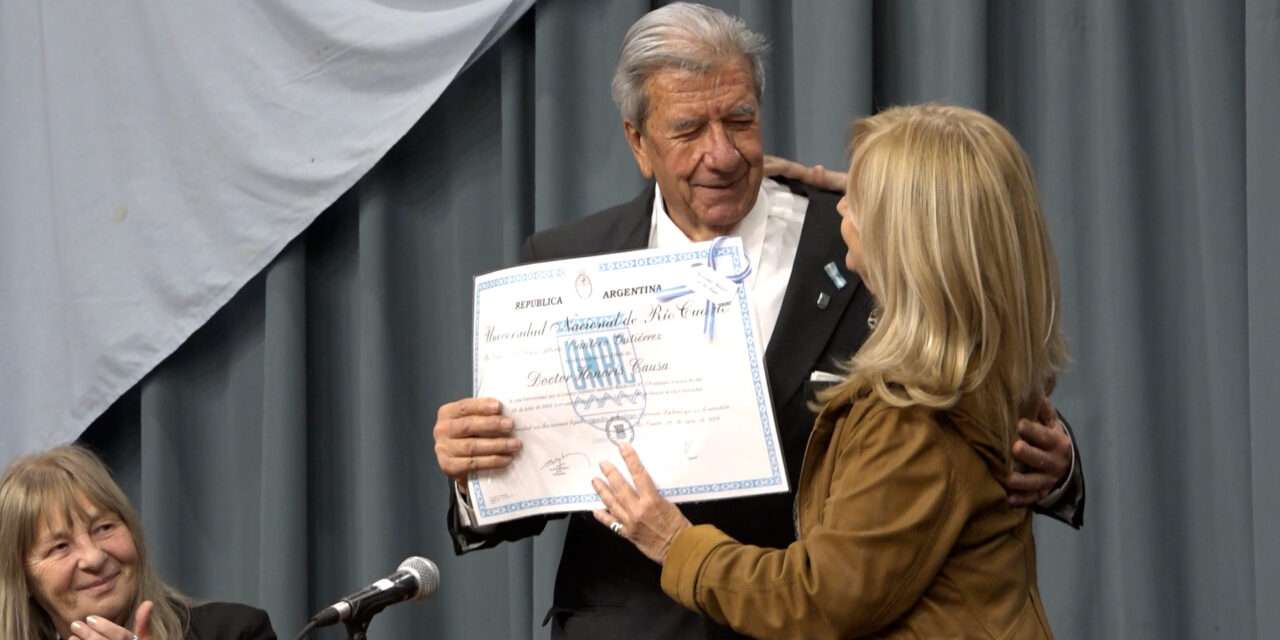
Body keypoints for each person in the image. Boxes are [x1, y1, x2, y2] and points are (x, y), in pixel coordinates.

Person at [432, 3, 1084, 638]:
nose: (721, 154)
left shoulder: (872, 238)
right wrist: (478, 473)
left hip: (822, 615)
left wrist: (1050, 468)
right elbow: (536, 481)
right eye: (689, 130)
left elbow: (978, 380)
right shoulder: (567, 262)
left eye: (739, 120)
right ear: (638, 141)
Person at [594, 103, 1064, 638]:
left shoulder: (914, 414)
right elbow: (968, 209)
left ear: (902, 236)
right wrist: (882, 184)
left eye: (858, 198)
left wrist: (675, 543)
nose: (837, 205)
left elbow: (819, 599)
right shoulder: (986, 349)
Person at [0, 445, 276, 640]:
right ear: (22, 579)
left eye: (104, 528)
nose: (94, 557)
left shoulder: (236, 632)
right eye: (60, 546)